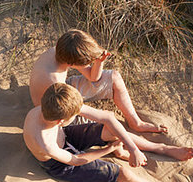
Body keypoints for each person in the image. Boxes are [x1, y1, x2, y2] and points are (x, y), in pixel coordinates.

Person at [23, 83, 193, 182]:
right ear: (61, 120)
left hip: (64, 135)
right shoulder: (44, 142)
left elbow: (108, 118)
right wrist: (108, 150)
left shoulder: (51, 106)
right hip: (61, 163)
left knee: (110, 131)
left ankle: (161, 148)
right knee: (124, 174)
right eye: (74, 115)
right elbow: (76, 160)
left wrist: (133, 148)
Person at [29, 29, 167, 133]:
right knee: (110, 127)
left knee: (114, 77)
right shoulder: (53, 80)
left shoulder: (61, 51)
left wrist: (99, 62)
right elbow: (67, 106)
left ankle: (135, 122)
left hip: (63, 91)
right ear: (72, 64)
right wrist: (107, 118)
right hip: (58, 110)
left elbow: (93, 77)